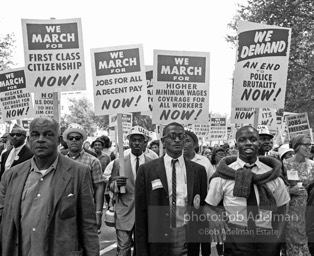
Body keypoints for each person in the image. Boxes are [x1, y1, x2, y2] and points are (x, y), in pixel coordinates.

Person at [0, 116, 99, 256]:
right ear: (29, 141)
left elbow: (88, 225)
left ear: (58, 141)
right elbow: (3, 220)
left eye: (48, 134)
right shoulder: (11, 176)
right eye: (35, 135)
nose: (40, 139)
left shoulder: (79, 173)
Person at [204, 125, 290, 256]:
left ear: (258, 142)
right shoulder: (222, 175)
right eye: (243, 139)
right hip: (236, 239)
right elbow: (208, 206)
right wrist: (214, 217)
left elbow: (282, 209)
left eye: (253, 139)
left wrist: (277, 239)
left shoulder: (273, 175)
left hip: (267, 239)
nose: (248, 143)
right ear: (236, 143)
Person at [135, 122, 208, 256]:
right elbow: (140, 213)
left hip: (185, 233)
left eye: (182, 136)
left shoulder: (198, 170)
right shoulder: (147, 170)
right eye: (172, 136)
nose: (177, 140)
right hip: (158, 234)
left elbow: (202, 210)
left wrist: (206, 249)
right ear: (163, 141)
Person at [109, 126, 154, 256]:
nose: (137, 143)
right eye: (134, 139)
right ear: (129, 142)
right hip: (124, 211)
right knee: (123, 249)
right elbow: (110, 185)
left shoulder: (153, 163)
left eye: (140, 140)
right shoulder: (119, 163)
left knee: (143, 250)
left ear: (146, 142)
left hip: (145, 213)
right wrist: (116, 185)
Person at [63, 123, 104, 231]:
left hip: (86, 210)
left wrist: (98, 213)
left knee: (88, 243)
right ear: (66, 141)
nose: (74, 140)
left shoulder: (93, 161)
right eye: (71, 138)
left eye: (77, 138)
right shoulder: (60, 161)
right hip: (64, 210)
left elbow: (99, 187)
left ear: (82, 140)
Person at [183, 129, 214, 256]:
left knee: (200, 240)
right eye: (181, 140)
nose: (183, 144)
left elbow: (212, 184)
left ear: (194, 145)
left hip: (200, 209)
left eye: (187, 141)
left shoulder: (204, 162)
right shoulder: (172, 163)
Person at [283, 134, 314, 255]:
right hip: (291, 207)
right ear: (296, 147)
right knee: (292, 240)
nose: (309, 147)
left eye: (310, 145)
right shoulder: (285, 164)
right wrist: (289, 191)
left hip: (308, 205)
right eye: (305, 145)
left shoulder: (312, 165)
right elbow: (278, 187)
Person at [91, 138, 111, 208]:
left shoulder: (107, 157)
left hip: (104, 180)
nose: (97, 146)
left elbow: (109, 168)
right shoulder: (90, 156)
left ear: (102, 147)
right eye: (95, 145)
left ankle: (107, 207)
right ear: (93, 146)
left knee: (104, 195)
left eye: (99, 145)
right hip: (92, 179)